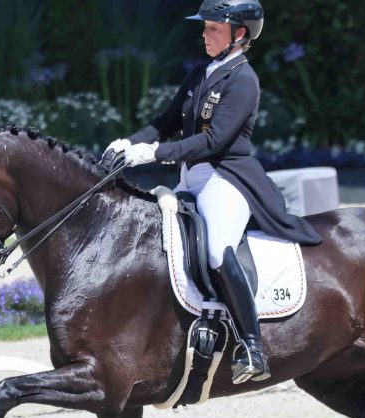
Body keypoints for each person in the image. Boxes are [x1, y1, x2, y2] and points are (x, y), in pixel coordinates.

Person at [105, 0, 321, 384]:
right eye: (204, 27)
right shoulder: (201, 72)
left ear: (240, 35)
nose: (204, 33)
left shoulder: (243, 79)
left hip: (225, 179)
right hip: (190, 177)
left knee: (217, 249)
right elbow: (167, 121)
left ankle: (252, 347)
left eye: (213, 28)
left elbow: (214, 140)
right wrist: (130, 142)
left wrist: (154, 153)